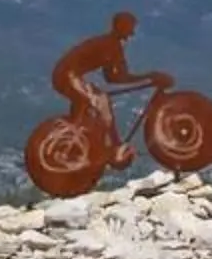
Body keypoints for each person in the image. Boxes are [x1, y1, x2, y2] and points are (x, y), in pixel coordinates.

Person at [50, 12, 163, 171]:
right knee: (97, 103)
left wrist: (148, 78)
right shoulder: (110, 44)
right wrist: (150, 77)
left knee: (101, 102)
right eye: (130, 28)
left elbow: (113, 78)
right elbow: (116, 77)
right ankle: (101, 147)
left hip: (69, 75)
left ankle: (100, 145)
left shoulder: (113, 45)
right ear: (121, 27)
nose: (132, 33)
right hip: (67, 75)